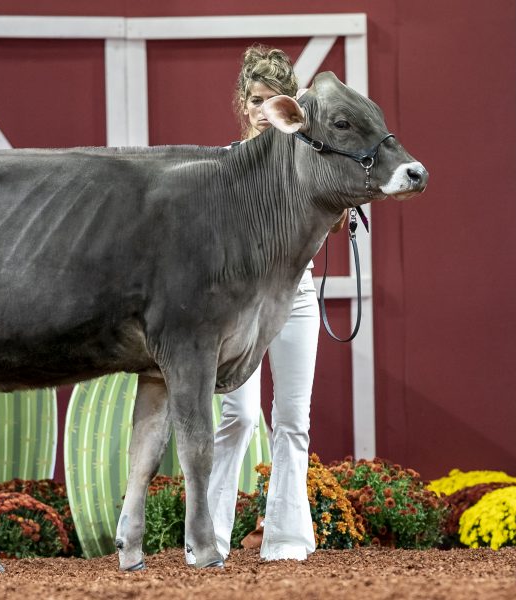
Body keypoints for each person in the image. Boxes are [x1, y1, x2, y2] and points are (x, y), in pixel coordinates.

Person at [186, 45, 347, 565]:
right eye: (255, 99)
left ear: (289, 106)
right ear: (244, 103)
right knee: (239, 416)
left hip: (296, 297)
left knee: (294, 418)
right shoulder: (228, 163)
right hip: (242, 305)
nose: (262, 109)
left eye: (272, 100)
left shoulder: (310, 160)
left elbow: (330, 224)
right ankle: (208, 536)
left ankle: (287, 538)